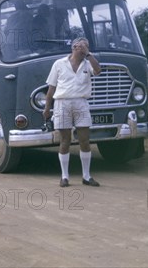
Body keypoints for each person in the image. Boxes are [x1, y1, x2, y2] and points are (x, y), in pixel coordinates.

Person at [43, 37, 102, 187]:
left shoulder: (88, 64)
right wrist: (47, 108)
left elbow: (98, 70)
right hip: (62, 103)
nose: (83, 49)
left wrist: (88, 54)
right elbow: (52, 88)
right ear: (74, 47)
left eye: (86, 46)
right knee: (65, 140)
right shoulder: (59, 64)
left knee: (84, 139)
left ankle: (86, 176)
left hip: (81, 102)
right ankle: (64, 176)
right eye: (81, 46)